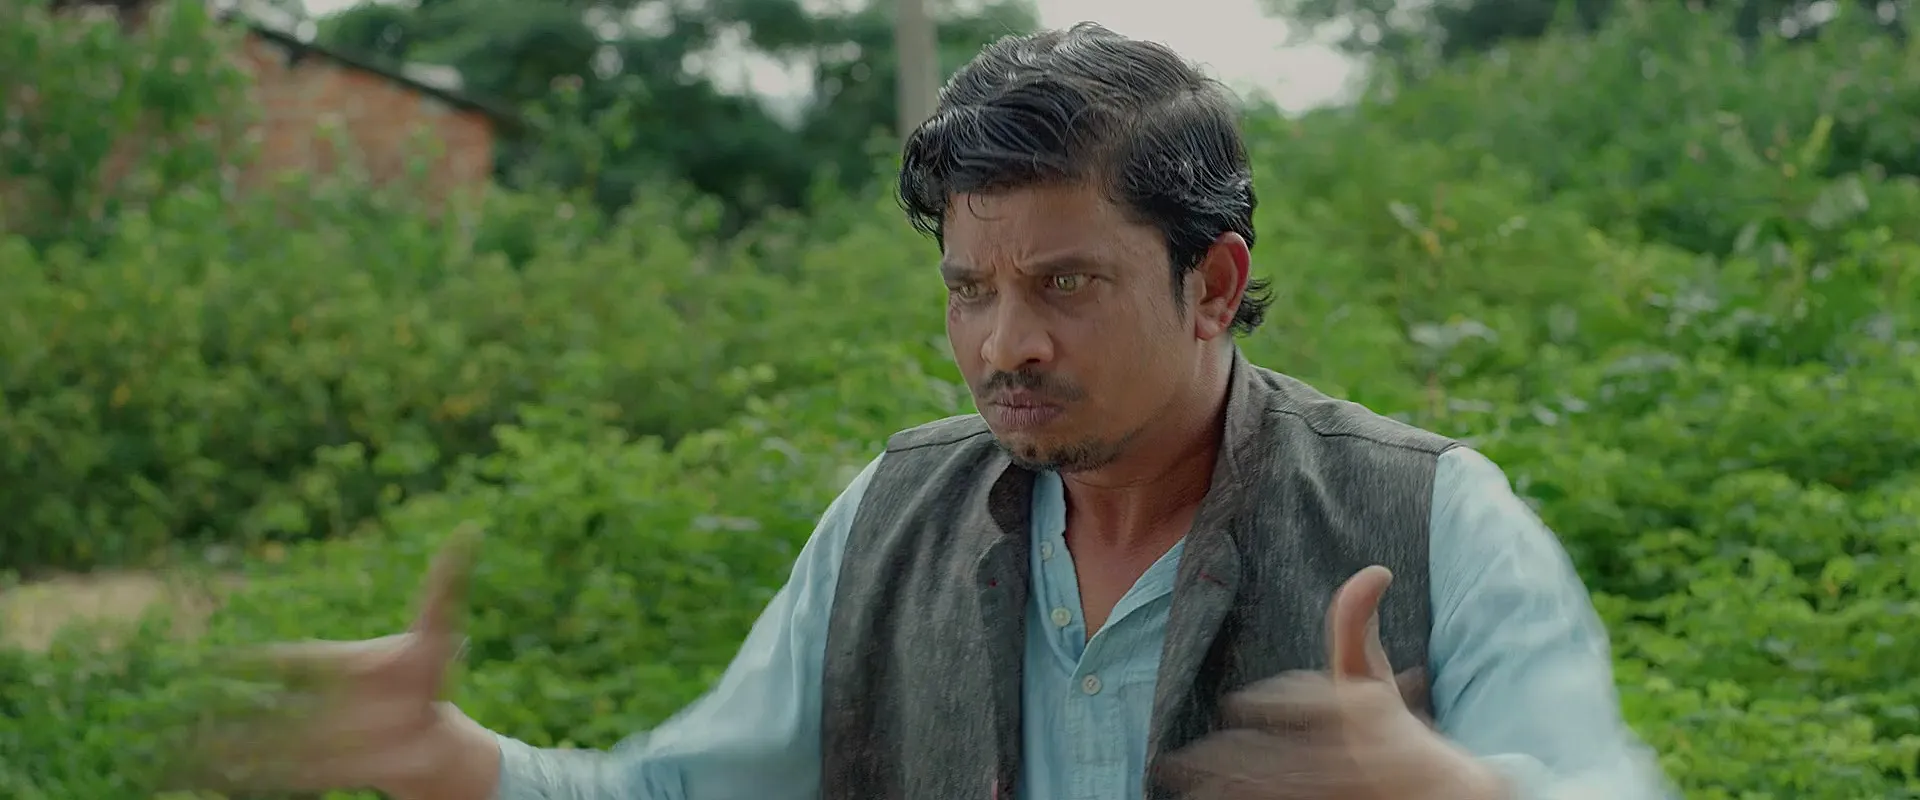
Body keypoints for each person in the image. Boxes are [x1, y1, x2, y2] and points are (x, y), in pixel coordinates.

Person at [180, 22, 1677, 800]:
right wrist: (450, 761)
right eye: (971, 288)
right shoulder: (893, 518)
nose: (1003, 343)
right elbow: (687, 791)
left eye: (1067, 284)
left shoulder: (1429, 513)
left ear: (1214, 284)